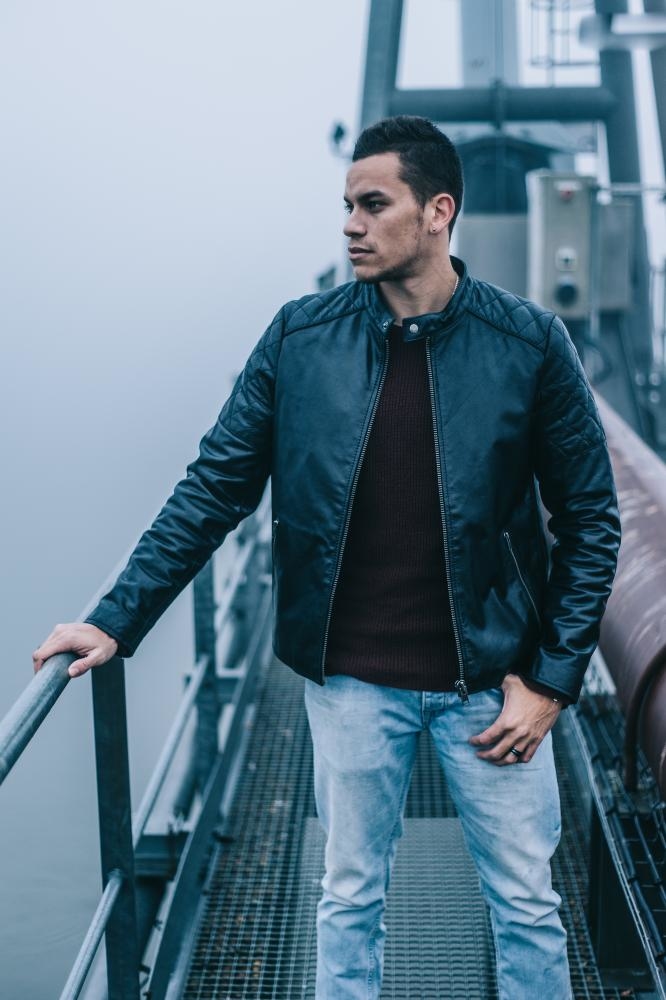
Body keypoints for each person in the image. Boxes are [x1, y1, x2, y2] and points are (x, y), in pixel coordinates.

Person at [33, 115, 621, 999]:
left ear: (438, 211)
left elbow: (591, 520)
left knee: (527, 907)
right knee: (347, 900)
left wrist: (551, 681)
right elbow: (214, 489)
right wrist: (116, 617)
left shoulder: (528, 343)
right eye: (346, 205)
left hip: (494, 684)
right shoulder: (300, 339)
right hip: (351, 682)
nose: (350, 224)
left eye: (373, 204)